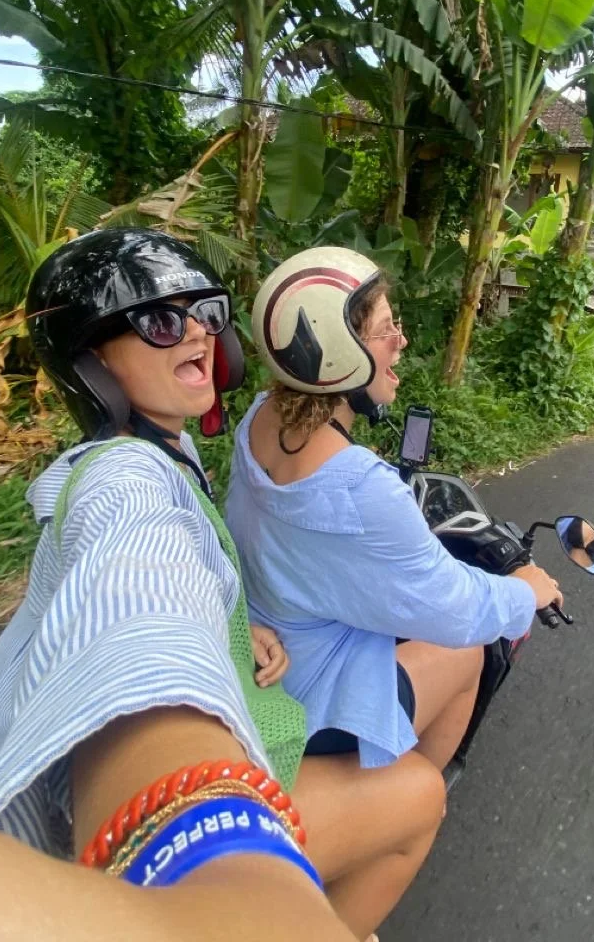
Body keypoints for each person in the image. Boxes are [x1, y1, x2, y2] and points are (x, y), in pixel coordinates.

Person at [0, 229, 443, 942]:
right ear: (91, 361)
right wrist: (191, 852)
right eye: (159, 321)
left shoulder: (173, 445)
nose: (196, 333)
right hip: (114, 828)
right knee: (420, 794)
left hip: (244, 696)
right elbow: (139, 610)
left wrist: (236, 624)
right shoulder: (127, 481)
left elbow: (192, 575)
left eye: (206, 313)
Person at [226, 246, 564, 776]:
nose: (401, 341)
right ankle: (409, 797)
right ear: (338, 352)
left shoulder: (259, 420)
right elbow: (455, 608)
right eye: (387, 329)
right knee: (467, 651)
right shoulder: (362, 488)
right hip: (311, 687)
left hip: (267, 638)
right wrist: (528, 589)